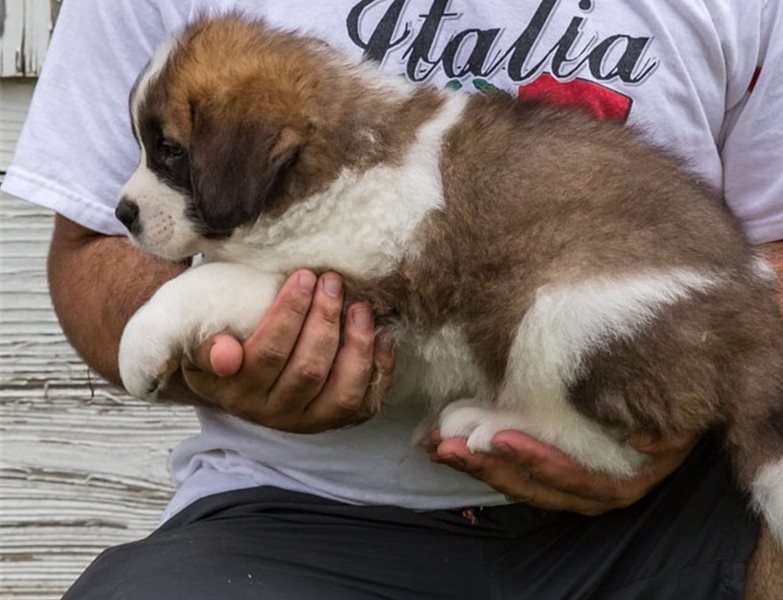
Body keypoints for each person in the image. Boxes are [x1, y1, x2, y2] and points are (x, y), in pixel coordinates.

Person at [3, 1, 782, 597]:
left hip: (666, 498)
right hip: (295, 512)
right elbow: (92, 248)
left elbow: (757, 273)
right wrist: (219, 362)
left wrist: (658, 423)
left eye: (170, 158)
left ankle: (594, 437)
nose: (139, 190)